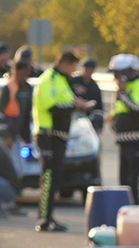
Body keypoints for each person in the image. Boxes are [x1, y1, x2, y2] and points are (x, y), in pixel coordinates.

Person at [32, 51, 94, 232]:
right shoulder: (49, 80)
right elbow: (52, 107)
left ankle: (49, 216)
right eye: (73, 67)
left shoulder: (62, 81)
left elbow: (66, 103)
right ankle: (44, 218)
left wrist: (77, 103)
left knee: (55, 177)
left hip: (59, 137)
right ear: (65, 63)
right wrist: (75, 105)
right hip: (48, 135)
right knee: (49, 177)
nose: (73, 71)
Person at [109, 53, 139, 204]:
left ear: (131, 71)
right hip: (124, 142)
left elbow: (136, 107)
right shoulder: (124, 90)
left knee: (136, 183)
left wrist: (122, 93)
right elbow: (119, 112)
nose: (117, 77)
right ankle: (126, 216)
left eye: (119, 73)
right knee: (124, 183)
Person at [0, 58, 34, 152]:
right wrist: (7, 136)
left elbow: (27, 115)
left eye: (24, 74)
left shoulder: (28, 89)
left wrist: (27, 138)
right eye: (18, 74)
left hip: (19, 136)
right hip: (5, 137)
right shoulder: (7, 89)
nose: (21, 77)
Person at [71, 58, 105, 133]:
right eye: (86, 69)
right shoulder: (73, 81)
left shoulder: (94, 87)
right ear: (82, 69)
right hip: (72, 115)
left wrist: (99, 125)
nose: (88, 72)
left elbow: (99, 106)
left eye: (91, 69)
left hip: (87, 118)